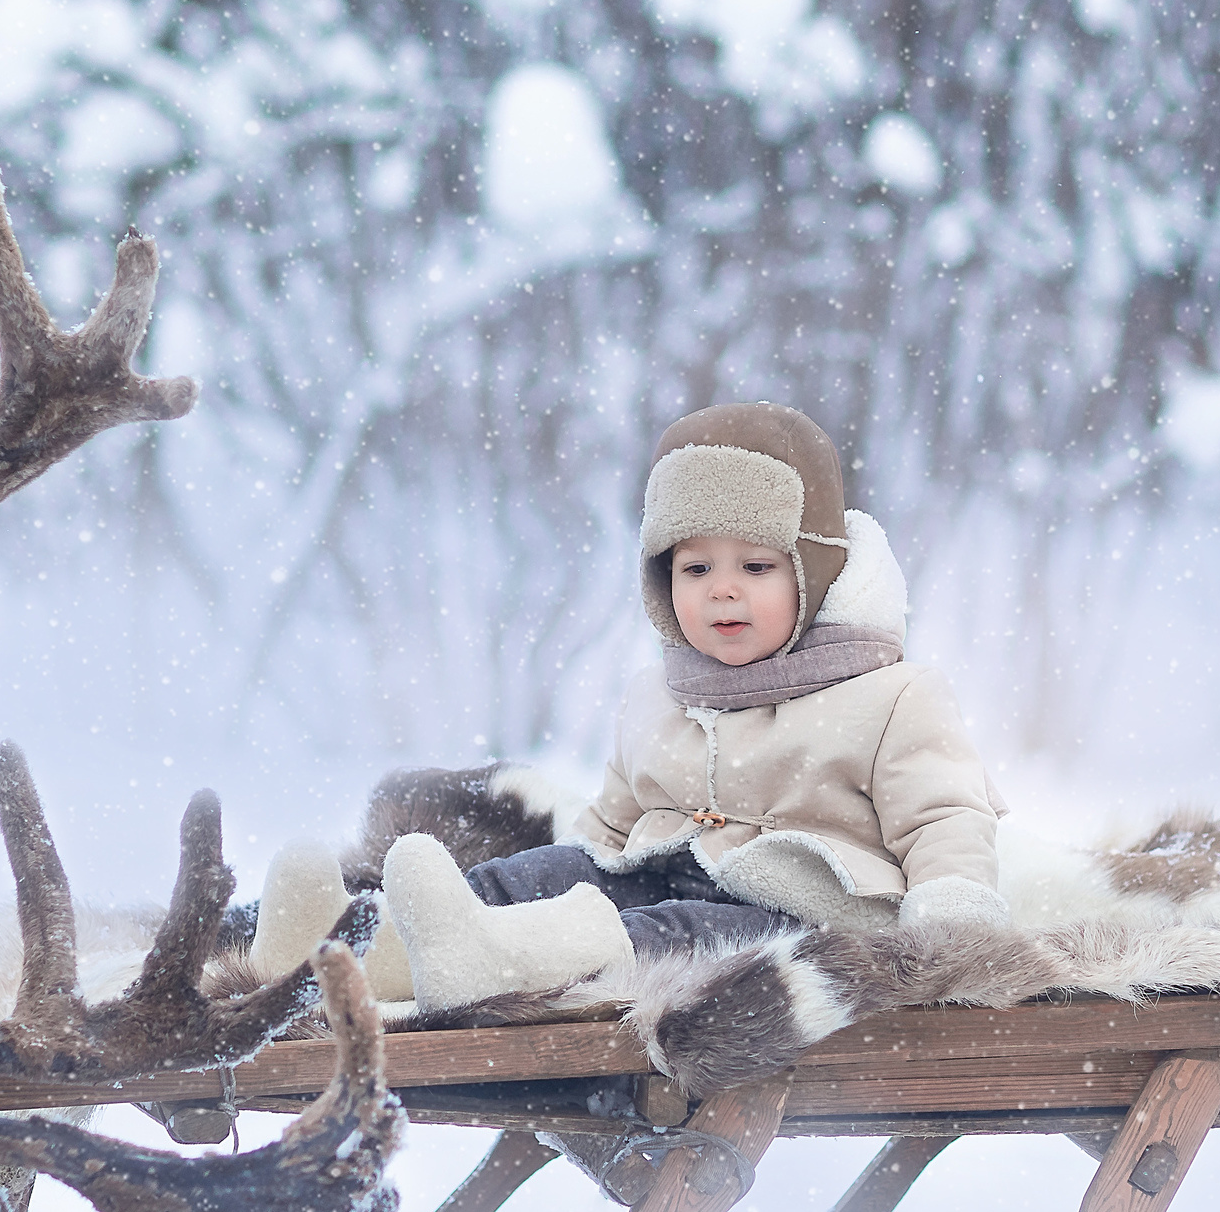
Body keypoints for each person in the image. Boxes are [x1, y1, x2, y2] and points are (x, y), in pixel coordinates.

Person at [375, 401, 1011, 1012]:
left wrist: (950, 920)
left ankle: (501, 961)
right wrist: (569, 869)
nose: (722, 590)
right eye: (696, 568)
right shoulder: (656, 695)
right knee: (546, 875)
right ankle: (376, 948)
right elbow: (611, 826)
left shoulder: (891, 695)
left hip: (808, 920)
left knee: (665, 933)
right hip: (666, 871)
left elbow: (944, 820)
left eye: (757, 567)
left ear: (813, 573)